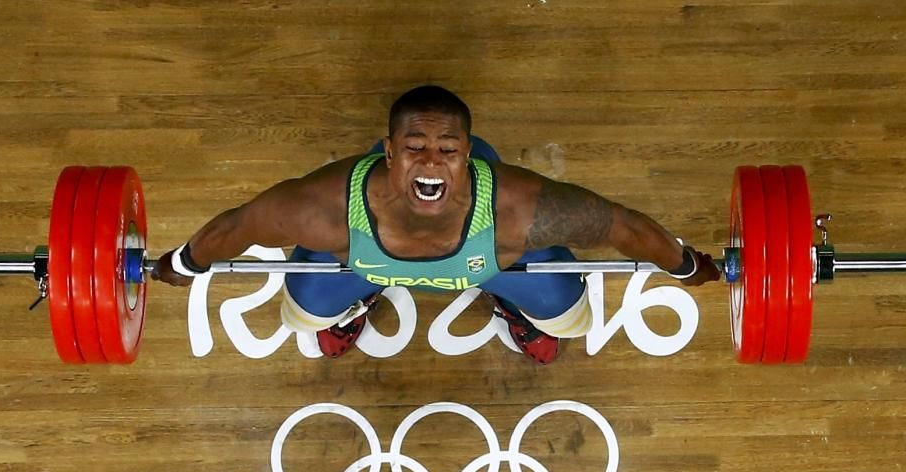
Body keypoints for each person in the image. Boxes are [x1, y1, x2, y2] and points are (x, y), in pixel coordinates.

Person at [153, 85, 719, 364]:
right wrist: (183, 263)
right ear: (389, 151)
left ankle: (511, 302)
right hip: (360, 257)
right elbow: (238, 227)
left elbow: (622, 228)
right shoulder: (321, 208)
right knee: (303, 310)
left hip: (495, 259)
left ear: (468, 153)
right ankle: (358, 300)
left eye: (448, 149)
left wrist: (687, 264)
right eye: (415, 147)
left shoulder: (515, 210)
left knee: (570, 316)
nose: (430, 162)